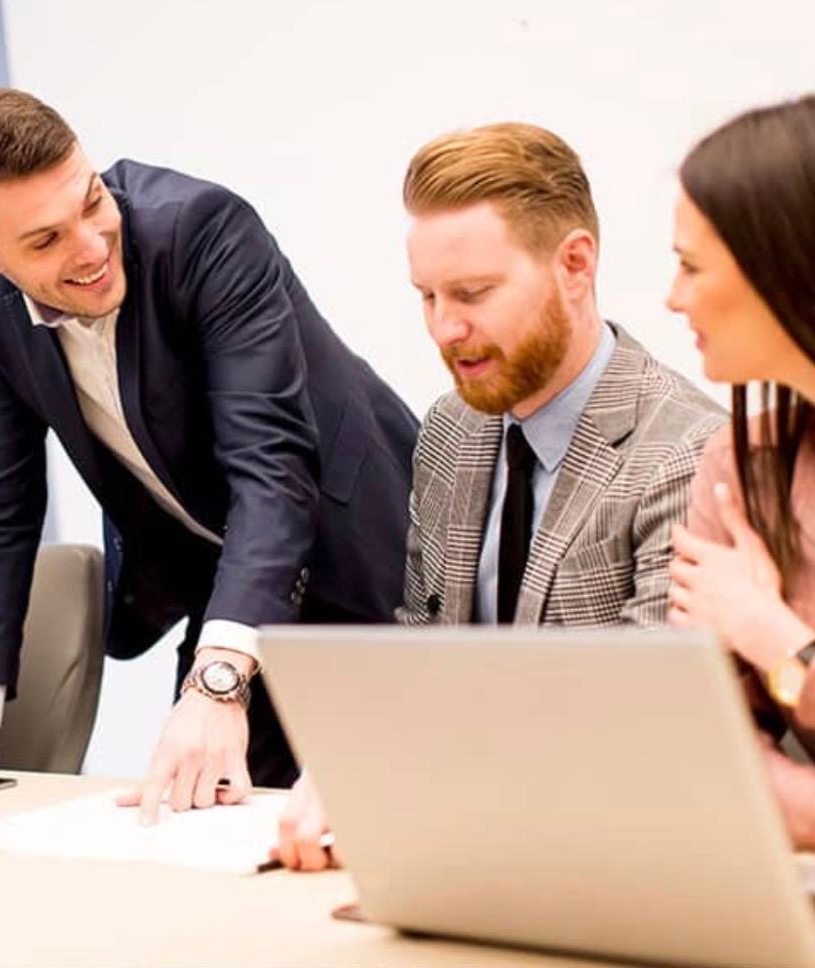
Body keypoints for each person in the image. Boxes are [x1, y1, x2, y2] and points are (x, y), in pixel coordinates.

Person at [0, 88, 418, 817]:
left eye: (92, 202)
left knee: (398, 816)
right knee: (205, 813)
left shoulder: (203, 229)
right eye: (45, 241)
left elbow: (272, 466)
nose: (91, 247)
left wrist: (218, 682)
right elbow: (1, 502)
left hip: (362, 550)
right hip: (222, 578)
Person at [277, 122, 724, 870]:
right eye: (426, 296)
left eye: (474, 294)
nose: (445, 328)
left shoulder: (689, 454)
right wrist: (360, 770)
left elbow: (648, 723)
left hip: (617, 858)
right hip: (463, 850)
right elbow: (422, 651)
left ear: (575, 264)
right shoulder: (450, 431)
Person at [665, 93, 815, 847]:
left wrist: (772, 638)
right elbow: (695, 746)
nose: (672, 299)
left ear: (785, 264)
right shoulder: (739, 465)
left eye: (692, 267)